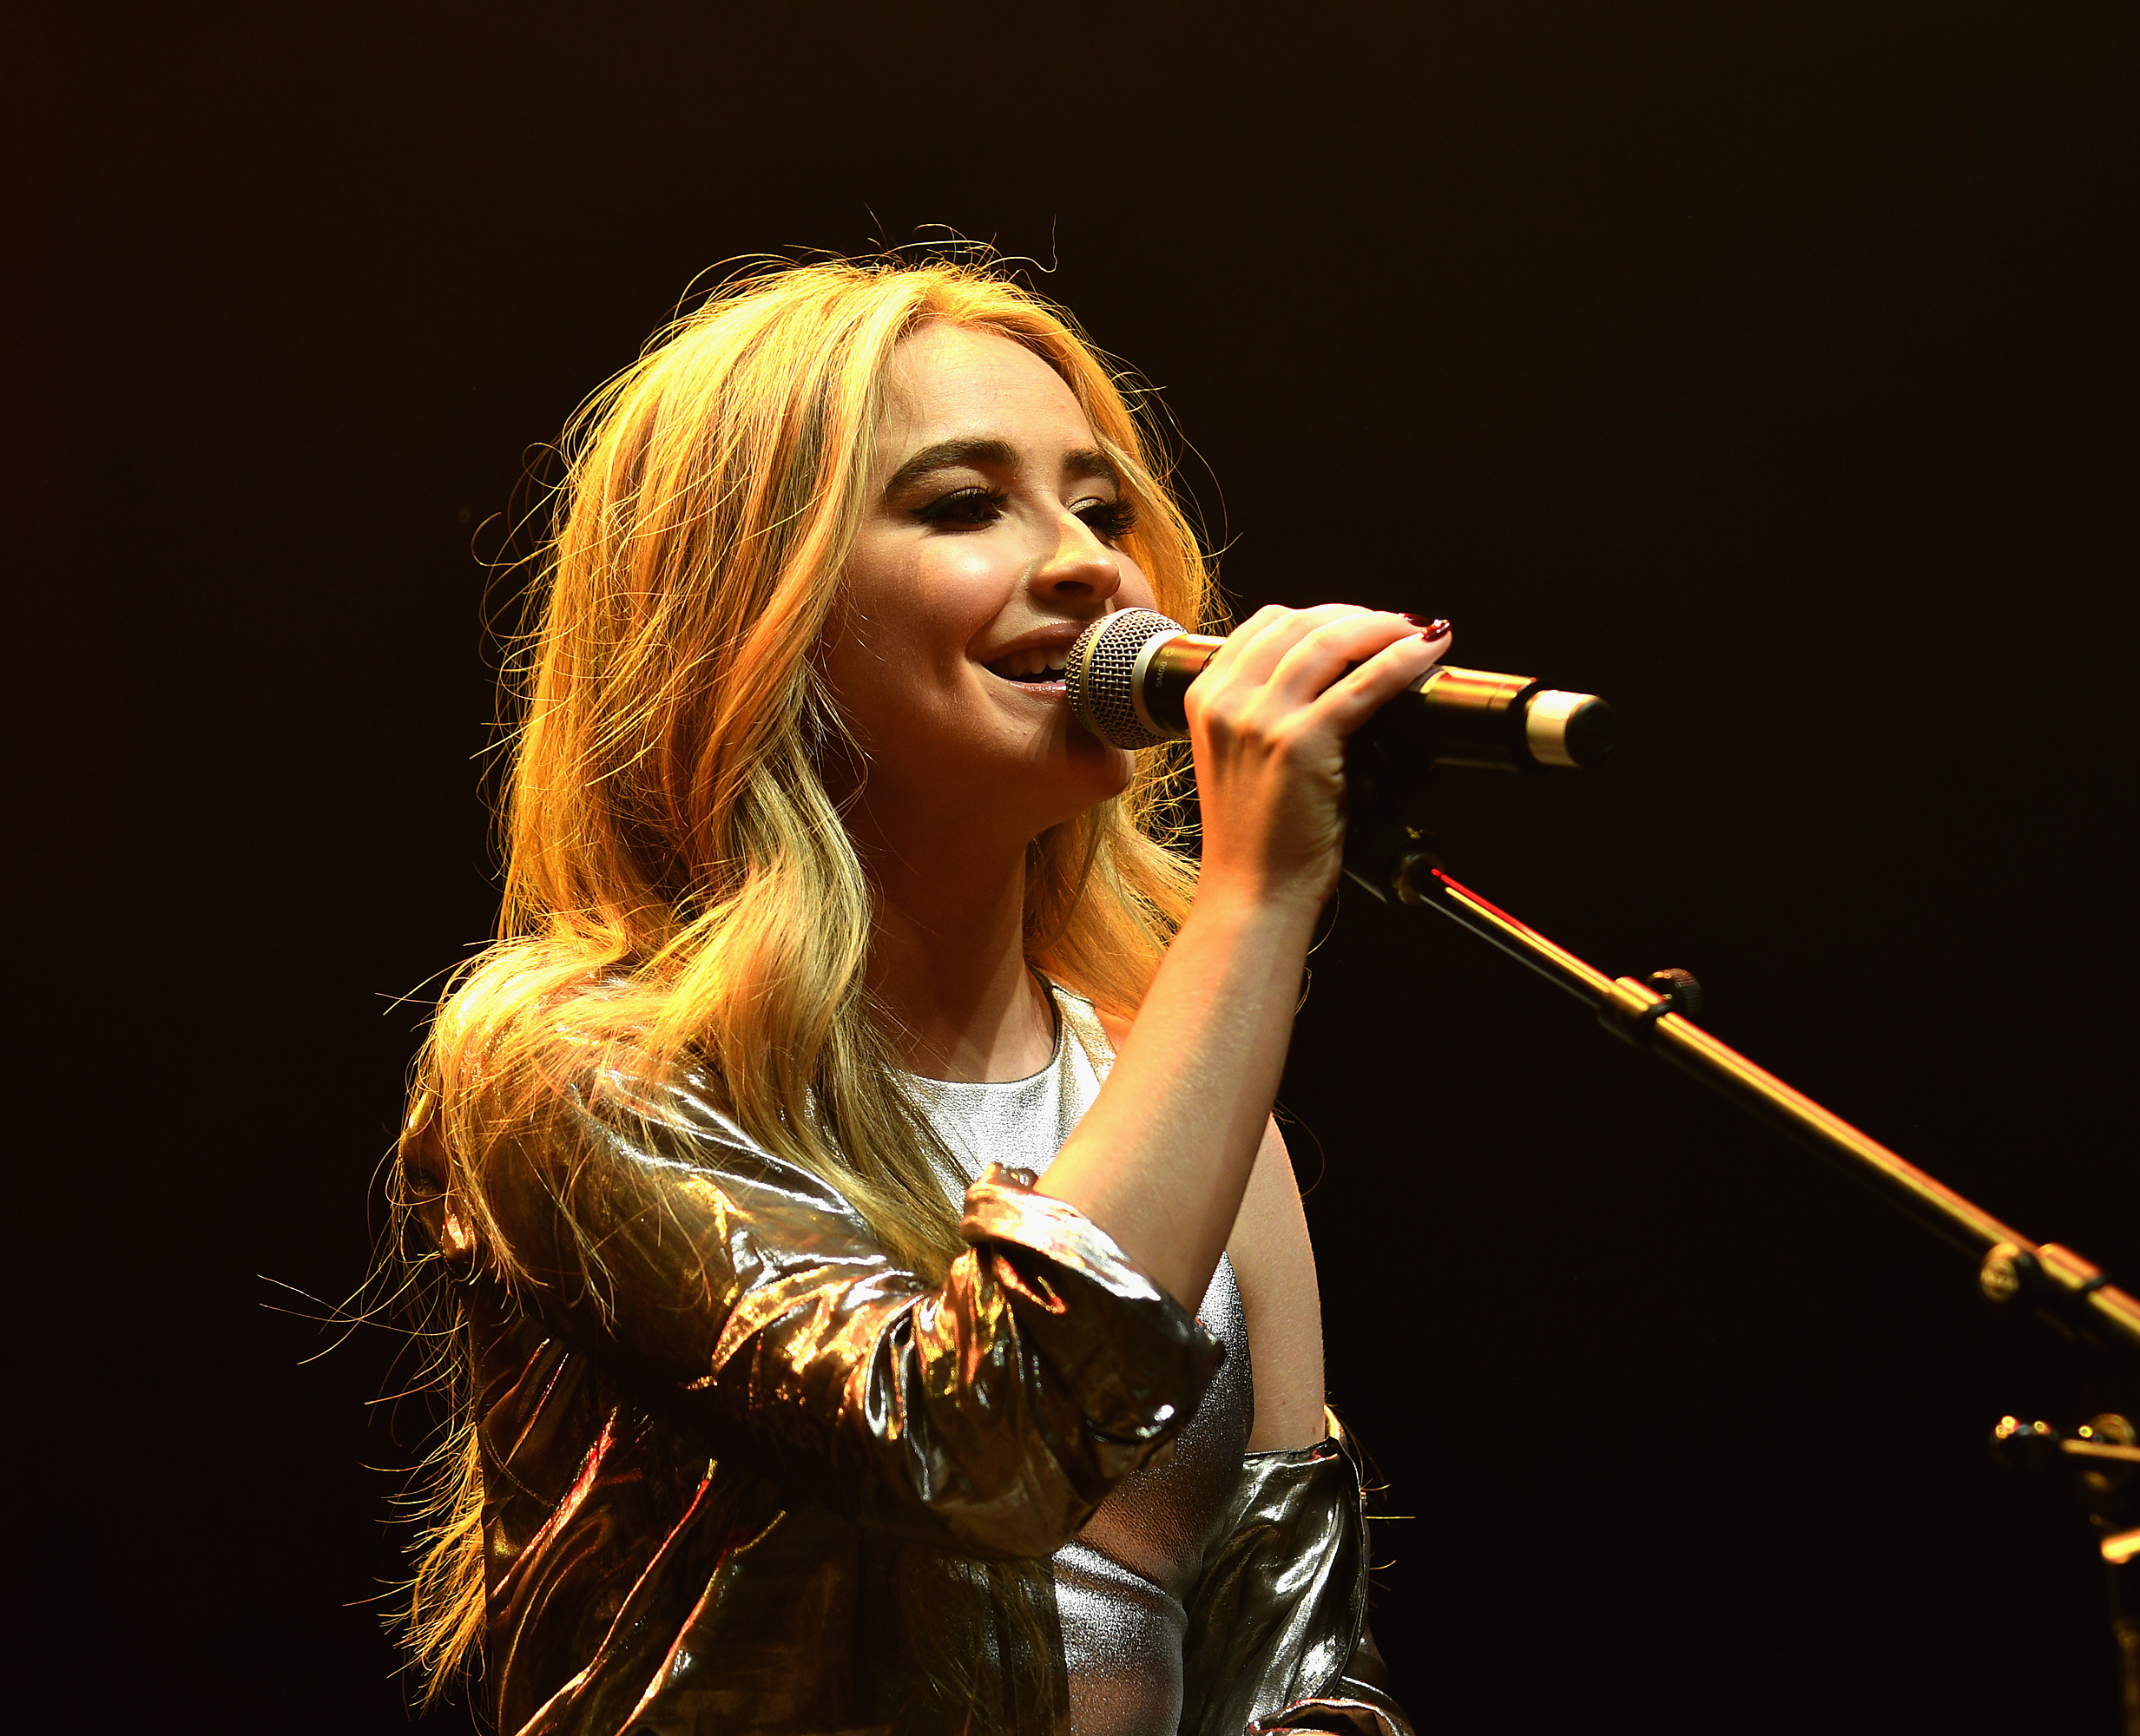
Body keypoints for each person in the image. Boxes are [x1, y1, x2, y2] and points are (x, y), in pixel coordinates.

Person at [391, 256, 1442, 1736]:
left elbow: (1297, 1666)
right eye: (963, 505)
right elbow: (975, 1444)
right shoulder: (579, 1067)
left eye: (1102, 508)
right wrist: (1255, 902)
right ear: (752, 607)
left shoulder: (1186, 1104)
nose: (1087, 566)